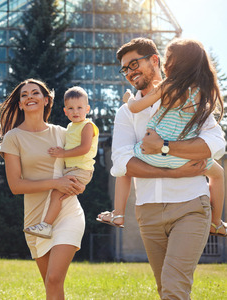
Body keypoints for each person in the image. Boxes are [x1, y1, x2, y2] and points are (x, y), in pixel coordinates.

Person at [105, 38, 226, 299]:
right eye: (125, 69)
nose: (130, 72)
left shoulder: (189, 97)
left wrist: (164, 146)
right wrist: (173, 171)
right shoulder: (126, 113)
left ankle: (216, 221)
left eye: (134, 64)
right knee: (167, 289)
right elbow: (123, 163)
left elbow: (214, 145)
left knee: (174, 287)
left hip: (191, 205)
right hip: (148, 211)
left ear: (155, 60)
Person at [0, 78, 86, 299]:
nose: (29, 97)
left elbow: (81, 163)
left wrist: (79, 184)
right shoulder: (13, 138)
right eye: (24, 95)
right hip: (36, 220)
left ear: (46, 100)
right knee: (51, 285)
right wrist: (56, 183)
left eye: (35, 93)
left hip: (67, 211)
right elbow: (16, 185)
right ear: (19, 104)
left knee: (55, 278)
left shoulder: (62, 134)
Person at [24, 86, 99, 238]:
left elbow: (84, 148)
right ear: (65, 111)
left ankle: (46, 226)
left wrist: (63, 153)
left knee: (57, 193)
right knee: (57, 194)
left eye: (79, 107)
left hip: (81, 169)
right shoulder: (71, 127)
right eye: (71, 108)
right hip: (72, 169)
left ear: (88, 109)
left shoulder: (87, 126)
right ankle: (51, 225)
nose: (75, 112)